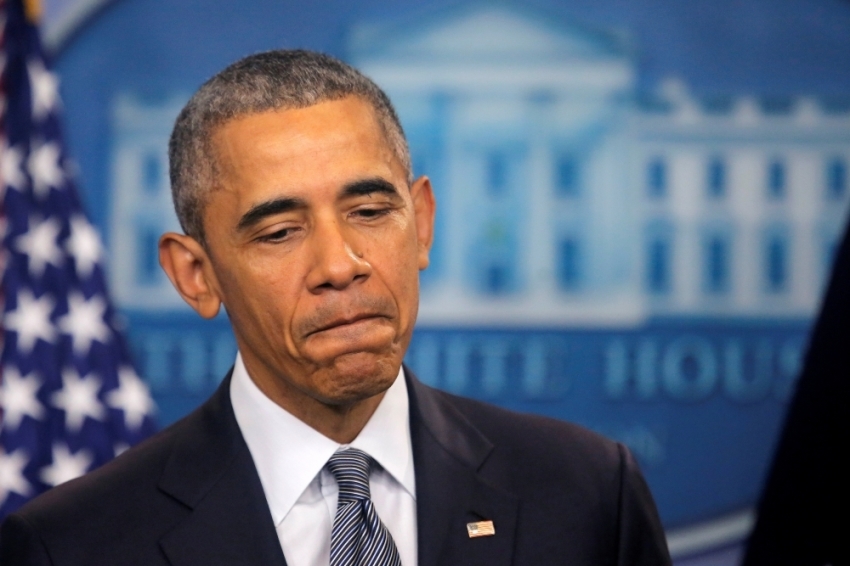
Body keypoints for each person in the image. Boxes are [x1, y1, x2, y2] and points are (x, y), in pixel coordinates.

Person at [0, 50, 671, 566]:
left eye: (372, 211)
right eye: (279, 232)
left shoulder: (587, 496)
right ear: (196, 274)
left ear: (423, 224)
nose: (340, 264)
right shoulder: (72, 546)